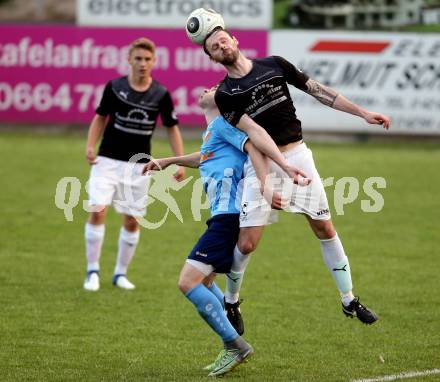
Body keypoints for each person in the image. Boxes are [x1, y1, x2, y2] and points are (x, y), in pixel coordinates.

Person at [202, 28, 391, 333]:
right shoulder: (225, 94)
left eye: (223, 39)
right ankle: (231, 299)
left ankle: (349, 298)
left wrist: (362, 113)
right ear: (211, 57)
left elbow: (317, 90)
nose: (221, 45)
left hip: (299, 156)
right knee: (247, 243)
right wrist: (268, 180)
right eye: (214, 46)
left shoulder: (274, 64)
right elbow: (255, 137)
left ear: (235, 40)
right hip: (261, 163)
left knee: (324, 227)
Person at [143, 86, 310, 376]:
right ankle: (232, 312)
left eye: (215, 88)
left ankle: (235, 344)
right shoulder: (213, 131)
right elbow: (204, 158)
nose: (208, 89)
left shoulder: (225, 123)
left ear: (221, 100)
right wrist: (169, 161)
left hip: (230, 216)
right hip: (223, 216)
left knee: (188, 282)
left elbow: (254, 146)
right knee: (204, 281)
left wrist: (266, 185)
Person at [83, 37, 185, 291]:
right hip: (106, 161)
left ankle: (120, 274)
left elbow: (172, 128)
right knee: (97, 210)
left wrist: (180, 162)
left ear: (154, 62)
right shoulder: (115, 87)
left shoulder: (161, 94)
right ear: (129, 60)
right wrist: (90, 145)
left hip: (138, 166)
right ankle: (92, 271)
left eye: (147, 59)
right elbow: (100, 117)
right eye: (138, 58)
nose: (142, 63)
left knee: (132, 221)